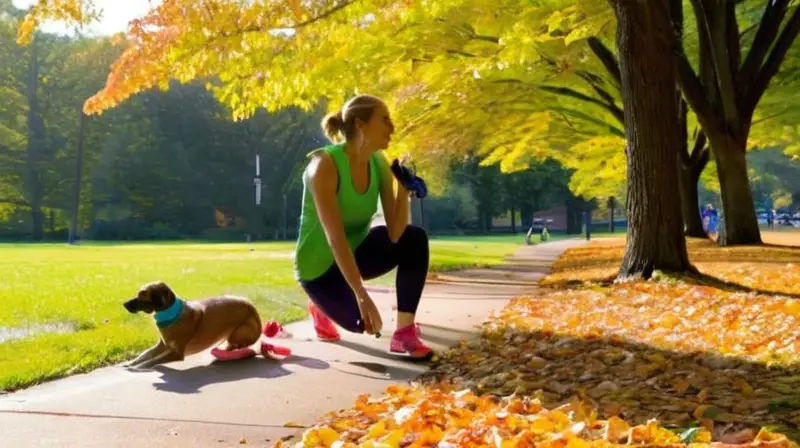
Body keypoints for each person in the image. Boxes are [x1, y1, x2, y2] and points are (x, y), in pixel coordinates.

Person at [293, 94, 433, 359]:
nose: (392, 127)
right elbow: (335, 238)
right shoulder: (324, 165)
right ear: (361, 125)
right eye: (385, 119)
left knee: (415, 239)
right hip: (320, 270)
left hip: (355, 255)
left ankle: (404, 334)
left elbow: (396, 233)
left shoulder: (378, 162)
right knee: (363, 324)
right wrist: (361, 294)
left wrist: (403, 191)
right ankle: (319, 306)